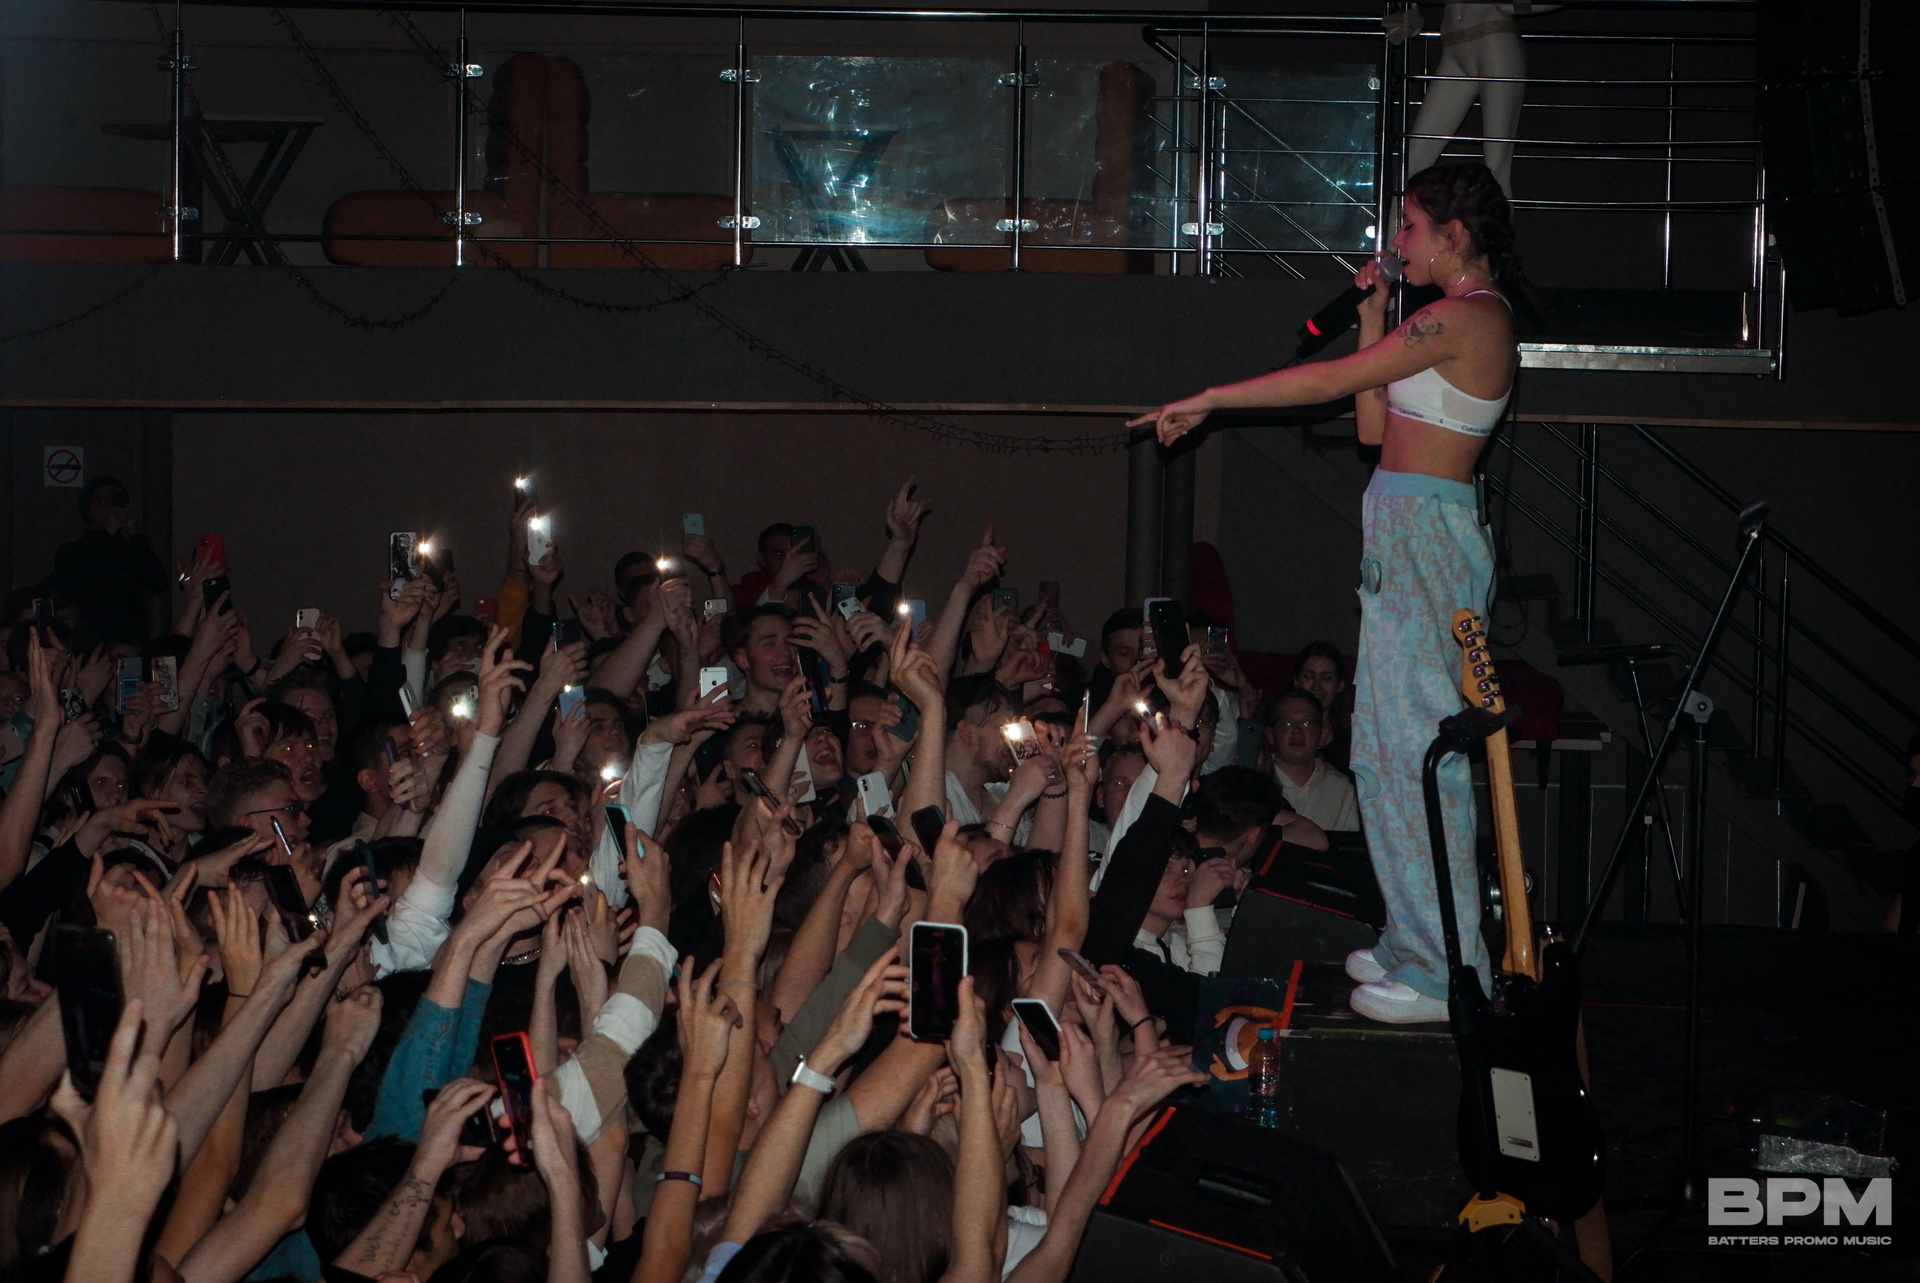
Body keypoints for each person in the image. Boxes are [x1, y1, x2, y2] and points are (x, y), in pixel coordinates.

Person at [1133, 161, 1517, 1024]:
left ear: (1455, 235)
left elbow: (1326, 384)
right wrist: (1372, 315)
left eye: (1411, 226)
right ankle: (1414, 938)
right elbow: (1373, 427)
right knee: (1381, 755)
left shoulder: (1471, 317)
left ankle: (1449, 969)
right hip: (1401, 538)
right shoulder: (1434, 318)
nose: (1398, 242)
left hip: (1427, 544)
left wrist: (1213, 398)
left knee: (1422, 756)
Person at [52, 476, 170, 646]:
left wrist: (136, 535)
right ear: (88, 508)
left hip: (131, 642)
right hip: (91, 642)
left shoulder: (130, 549)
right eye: (102, 501)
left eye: (117, 500)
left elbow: (158, 583)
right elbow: (86, 586)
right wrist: (107, 533)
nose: (111, 506)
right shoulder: (71, 551)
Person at [1263, 687, 1361, 832]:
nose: (1297, 731)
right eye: (1286, 724)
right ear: (1270, 735)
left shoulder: (1343, 790)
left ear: (1322, 734)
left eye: (1307, 723)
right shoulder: (1254, 786)